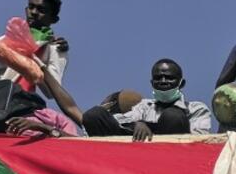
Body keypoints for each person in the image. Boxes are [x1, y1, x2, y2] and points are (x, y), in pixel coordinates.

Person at [81, 59, 211, 139]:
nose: (163, 81)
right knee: (94, 115)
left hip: (174, 157)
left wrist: (152, 129)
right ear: (152, 82)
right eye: (158, 78)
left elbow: (200, 140)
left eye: (169, 78)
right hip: (137, 154)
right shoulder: (144, 106)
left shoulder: (196, 109)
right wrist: (136, 124)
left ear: (181, 83)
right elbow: (118, 120)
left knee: (173, 116)